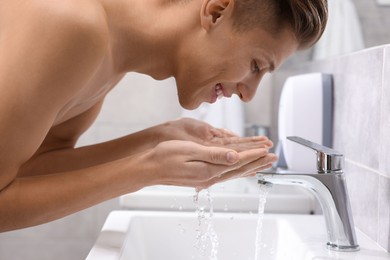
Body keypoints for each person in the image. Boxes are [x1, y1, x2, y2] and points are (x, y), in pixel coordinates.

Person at [0, 0, 328, 232]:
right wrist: (149, 169)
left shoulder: (110, 52)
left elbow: (30, 168)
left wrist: (157, 140)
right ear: (216, 11)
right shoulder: (72, 24)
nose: (248, 93)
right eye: (256, 65)